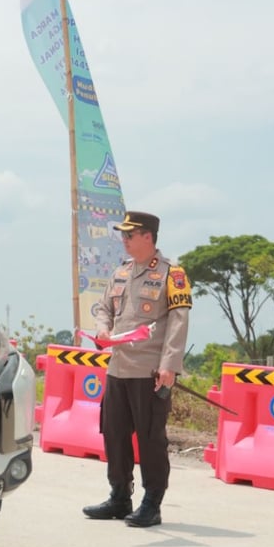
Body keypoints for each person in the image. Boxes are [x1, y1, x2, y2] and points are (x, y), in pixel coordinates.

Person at [82, 211, 191, 528]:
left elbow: (178, 321)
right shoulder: (121, 273)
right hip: (118, 368)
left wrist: (169, 365)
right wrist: (103, 330)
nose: (124, 240)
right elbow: (105, 309)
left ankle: (152, 502)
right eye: (123, 235)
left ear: (148, 237)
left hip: (150, 372)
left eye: (130, 235)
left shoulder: (173, 275)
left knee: (150, 439)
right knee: (114, 435)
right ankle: (119, 497)